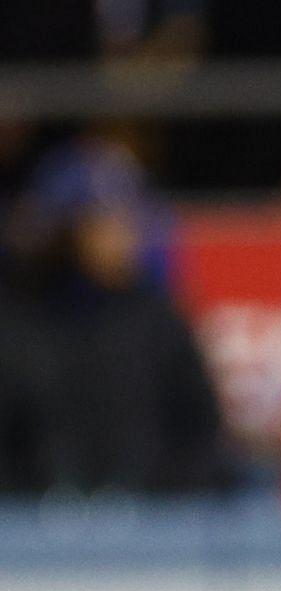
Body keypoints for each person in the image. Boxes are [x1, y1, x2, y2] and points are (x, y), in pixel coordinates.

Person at [0, 140, 230, 497]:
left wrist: (159, 494)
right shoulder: (20, 324)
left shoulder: (157, 320)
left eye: (128, 216)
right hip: (36, 532)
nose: (122, 236)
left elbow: (201, 431)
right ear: (64, 231)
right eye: (102, 220)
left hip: (151, 527)